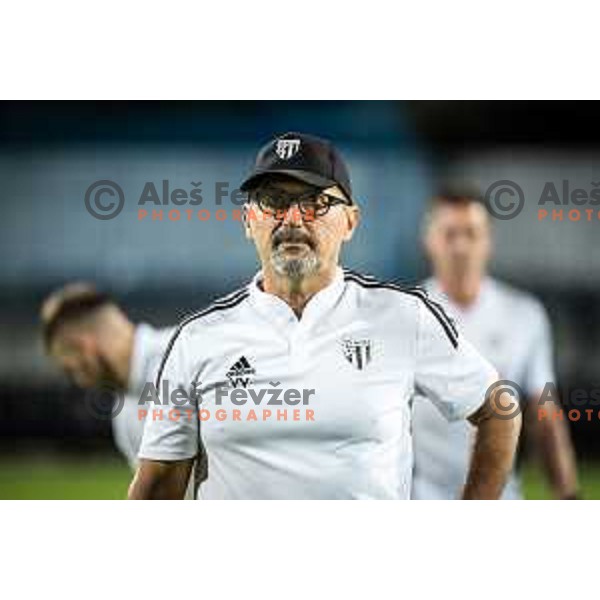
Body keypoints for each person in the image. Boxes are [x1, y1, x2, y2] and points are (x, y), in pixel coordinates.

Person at [129, 132, 520, 500]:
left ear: (350, 221)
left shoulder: (404, 317)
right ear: (249, 221)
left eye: (315, 203)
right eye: (274, 202)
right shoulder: (198, 338)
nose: (293, 220)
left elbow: (499, 411)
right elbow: (159, 483)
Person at [411, 188, 579, 499]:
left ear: (488, 240)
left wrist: (567, 494)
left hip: (501, 497)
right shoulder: (406, 313)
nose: (460, 246)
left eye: (471, 233)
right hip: (423, 497)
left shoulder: (524, 315)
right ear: (429, 241)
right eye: (449, 234)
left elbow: (544, 410)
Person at [41, 283, 173, 470]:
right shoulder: (125, 416)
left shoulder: (186, 358)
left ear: (86, 348)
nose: (78, 381)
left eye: (70, 370)